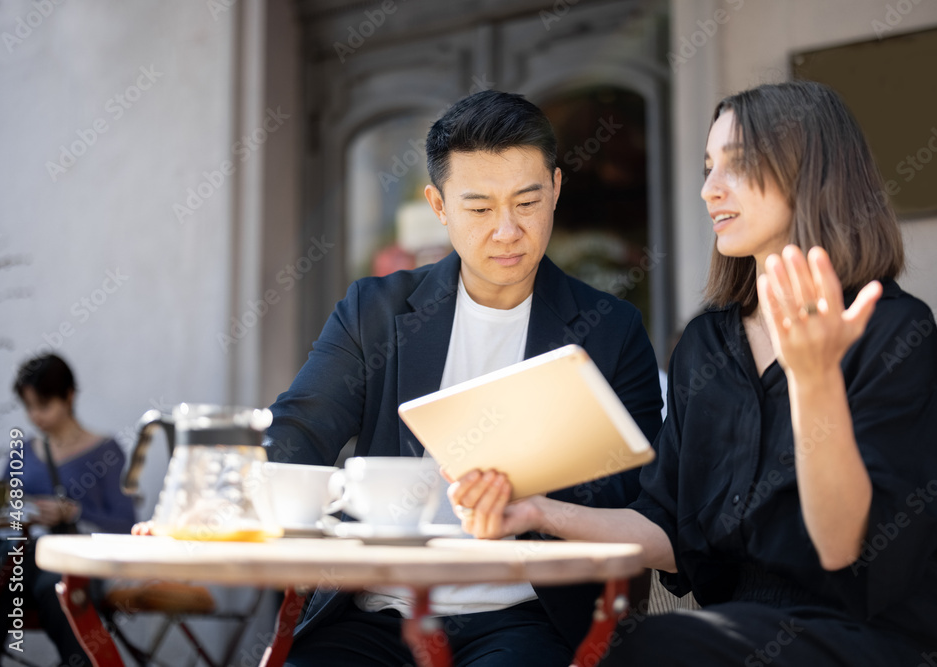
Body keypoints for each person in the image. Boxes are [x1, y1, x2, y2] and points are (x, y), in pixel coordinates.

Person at [449, 80, 937, 666]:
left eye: (737, 166)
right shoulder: (705, 346)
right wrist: (536, 511)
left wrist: (812, 380)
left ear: (812, 172)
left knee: (648, 649)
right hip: (742, 633)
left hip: (881, 639)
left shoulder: (891, 331)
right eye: (708, 167)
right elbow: (670, 534)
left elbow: (841, 550)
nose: (709, 190)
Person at [263, 89, 664, 666]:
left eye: (527, 202)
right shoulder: (375, 311)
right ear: (439, 204)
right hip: (378, 610)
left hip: (527, 615)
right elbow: (299, 431)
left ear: (555, 188)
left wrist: (535, 494)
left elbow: (640, 495)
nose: (506, 230)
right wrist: (219, 500)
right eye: (479, 208)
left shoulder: (611, 329)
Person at [0, 354, 136, 666]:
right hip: (16, 563)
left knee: (54, 583)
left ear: (68, 396)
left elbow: (126, 524)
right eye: (28, 407)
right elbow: (1, 513)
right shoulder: (22, 452)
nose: (35, 416)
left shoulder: (105, 451)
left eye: (43, 405)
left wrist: (73, 513)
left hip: (73, 565)